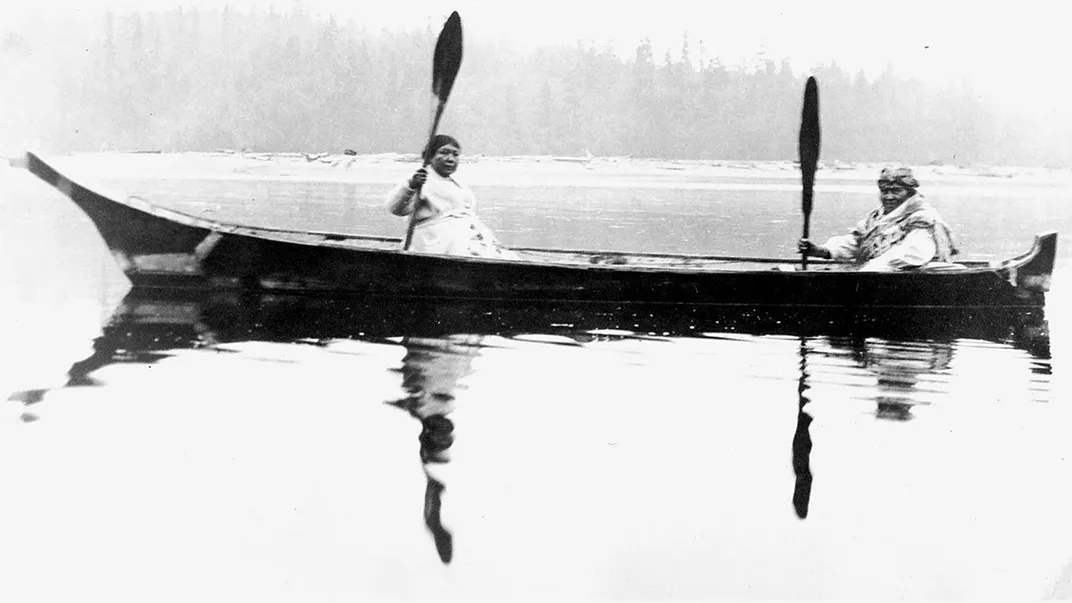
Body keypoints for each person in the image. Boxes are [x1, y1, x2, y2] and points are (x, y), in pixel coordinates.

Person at [798, 166, 958, 271]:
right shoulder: (877, 217)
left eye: (896, 191)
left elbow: (913, 254)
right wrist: (822, 251)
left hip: (910, 280)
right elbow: (857, 242)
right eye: (884, 191)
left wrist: (866, 268)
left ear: (909, 193)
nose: (889, 197)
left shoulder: (923, 217)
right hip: (876, 276)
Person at [386, 134, 518, 259]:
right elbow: (396, 209)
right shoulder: (422, 180)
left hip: (464, 238)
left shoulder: (457, 183)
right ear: (430, 156)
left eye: (455, 154)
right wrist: (411, 185)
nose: (450, 159)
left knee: (502, 256)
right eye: (444, 152)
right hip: (434, 242)